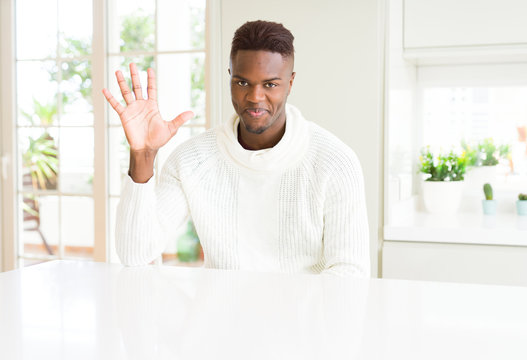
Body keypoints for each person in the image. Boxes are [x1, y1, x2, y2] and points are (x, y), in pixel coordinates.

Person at [103, 20, 370, 276]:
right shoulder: (192, 160)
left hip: (302, 322)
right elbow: (135, 254)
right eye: (243, 82)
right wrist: (143, 154)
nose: (255, 97)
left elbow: (349, 271)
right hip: (220, 319)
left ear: (290, 83)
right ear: (230, 77)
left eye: (270, 84)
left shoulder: (335, 161)